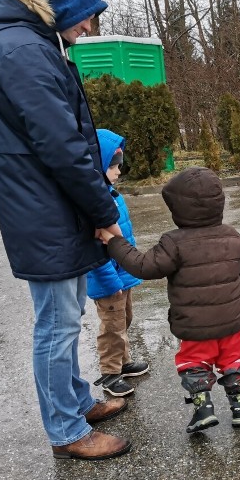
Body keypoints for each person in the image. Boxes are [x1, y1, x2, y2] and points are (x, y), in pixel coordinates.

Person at [0, 0, 132, 460]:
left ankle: (77, 400)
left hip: (50, 208)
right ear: (60, 8)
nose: (88, 27)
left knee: (65, 315)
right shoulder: (22, 50)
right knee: (56, 323)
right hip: (44, 210)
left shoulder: (27, 43)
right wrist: (103, 209)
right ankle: (67, 430)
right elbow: (62, 146)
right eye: (85, 16)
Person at [100, 167, 240, 433]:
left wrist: (115, 243)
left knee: (194, 363)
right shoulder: (233, 236)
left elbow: (144, 267)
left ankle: (203, 408)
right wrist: (236, 308)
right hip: (233, 322)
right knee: (234, 362)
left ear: (179, 210)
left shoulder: (174, 242)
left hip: (194, 327)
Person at [87, 129, 149, 397]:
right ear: (97, 165)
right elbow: (94, 249)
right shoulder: (92, 203)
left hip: (122, 273)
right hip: (107, 278)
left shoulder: (111, 194)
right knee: (112, 326)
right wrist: (111, 280)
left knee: (125, 319)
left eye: (119, 165)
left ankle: (123, 362)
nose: (118, 171)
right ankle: (110, 372)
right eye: (113, 165)